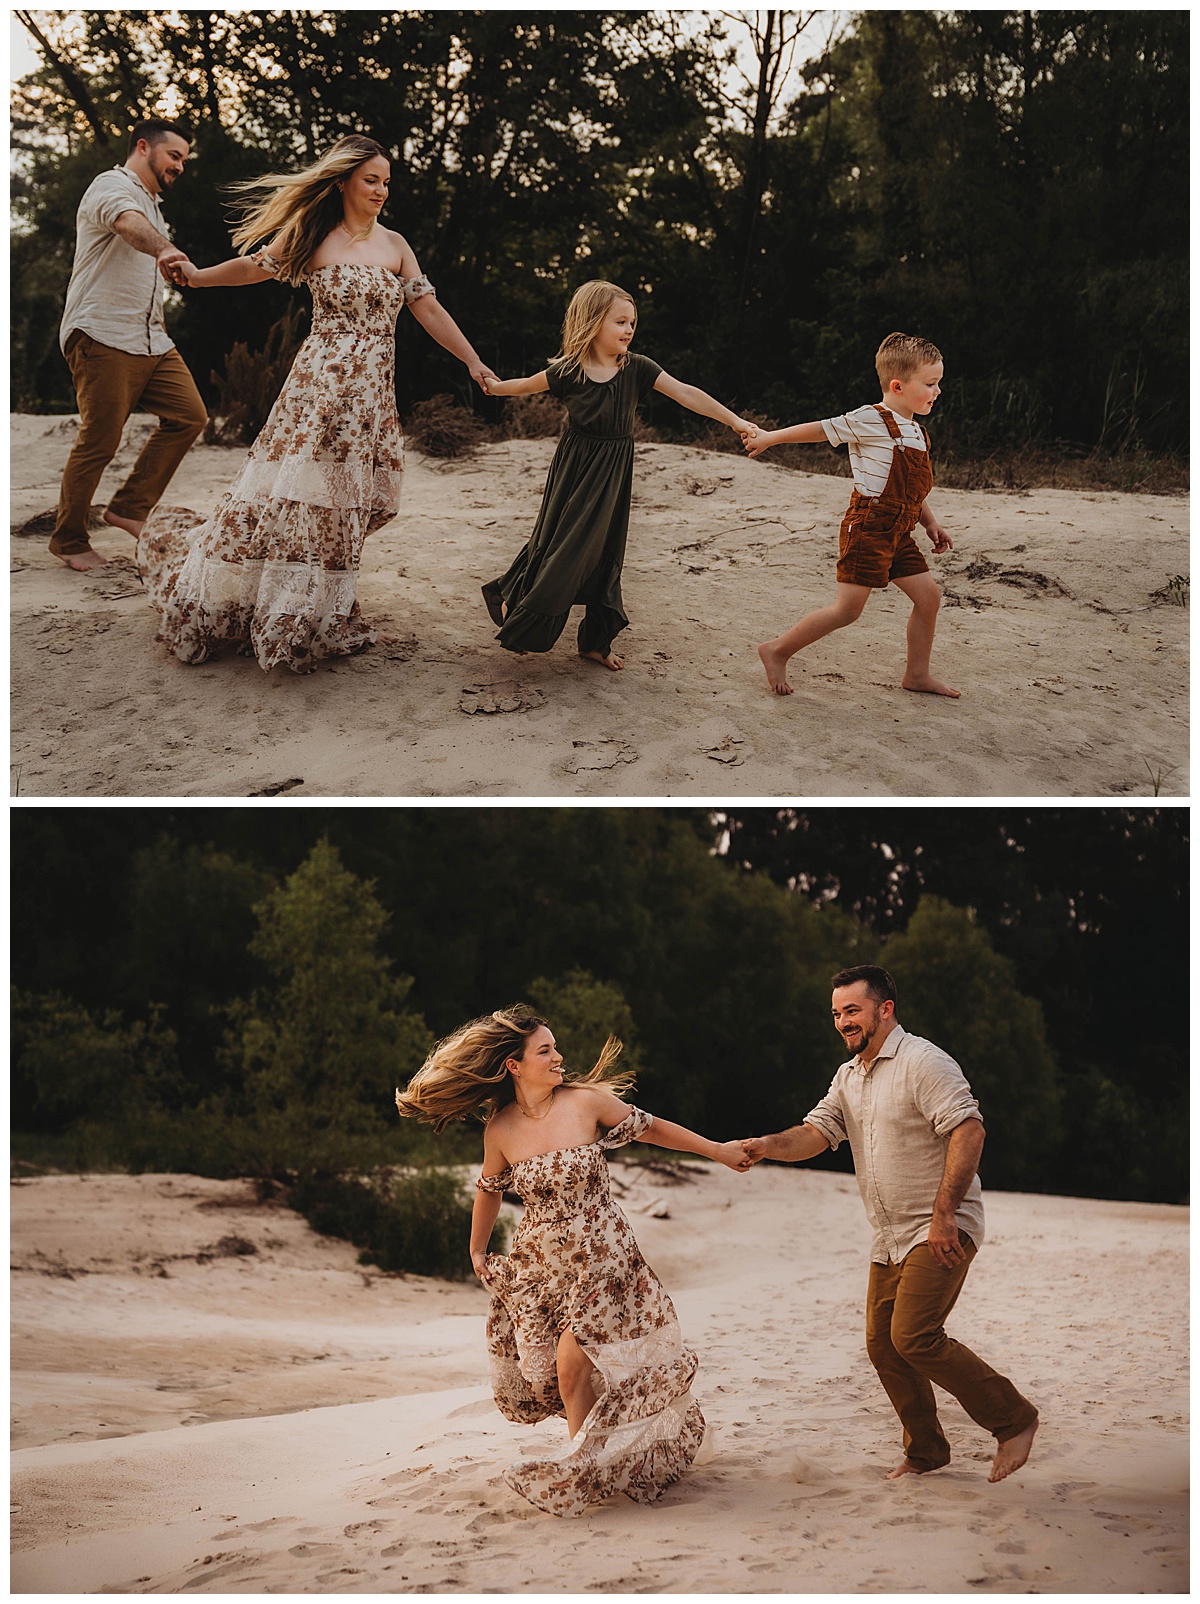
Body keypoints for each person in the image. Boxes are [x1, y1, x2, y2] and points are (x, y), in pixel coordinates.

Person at [137, 134, 497, 672]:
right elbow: (254, 267)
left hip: (371, 397)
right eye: (370, 180)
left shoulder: (396, 245)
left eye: (386, 182)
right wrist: (197, 278)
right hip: (318, 391)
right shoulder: (314, 236)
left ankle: (321, 609)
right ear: (343, 181)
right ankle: (285, 611)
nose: (380, 191)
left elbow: (428, 309)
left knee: (345, 506)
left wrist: (473, 361)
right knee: (300, 497)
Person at [395, 1007, 748, 1516]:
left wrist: (717, 1150)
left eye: (555, 1047)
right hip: (543, 1264)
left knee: (572, 1359)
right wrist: (476, 1248)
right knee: (566, 1378)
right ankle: (594, 1464)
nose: (559, 1057)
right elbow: (489, 1191)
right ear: (514, 1066)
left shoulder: (586, 1104)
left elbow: (655, 1129)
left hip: (605, 1256)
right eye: (545, 1050)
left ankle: (582, 1470)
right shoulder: (501, 1129)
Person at [741, 965, 1038, 1484]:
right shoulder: (849, 1077)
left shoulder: (923, 1062)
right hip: (890, 1234)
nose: (842, 1022)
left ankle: (1015, 1420)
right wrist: (766, 1147)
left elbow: (969, 1130)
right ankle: (926, 1451)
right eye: (836, 1013)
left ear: (885, 1009)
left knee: (915, 1336)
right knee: (883, 1343)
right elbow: (815, 1133)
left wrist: (944, 1215)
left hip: (940, 1226)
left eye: (852, 1010)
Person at [481, 281, 757, 670]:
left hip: (612, 474)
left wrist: (735, 421)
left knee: (604, 550)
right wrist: (495, 389)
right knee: (563, 542)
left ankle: (595, 642)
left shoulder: (638, 368)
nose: (629, 329)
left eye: (633, 322)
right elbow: (525, 386)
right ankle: (521, 610)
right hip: (575, 471)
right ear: (593, 323)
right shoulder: (568, 372)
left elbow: (686, 393)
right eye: (621, 321)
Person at [745, 332, 960, 698]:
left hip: (900, 533)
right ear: (898, 385)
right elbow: (820, 429)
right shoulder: (870, 419)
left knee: (929, 599)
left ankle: (917, 675)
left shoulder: (918, 433)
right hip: (868, 529)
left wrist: (930, 522)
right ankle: (777, 650)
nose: (938, 391)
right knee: (847, 610)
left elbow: (913, 490)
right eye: (931, 383)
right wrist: (770, 437)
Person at [51, 118, 207, 572]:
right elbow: (127, 222)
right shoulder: (111, 186)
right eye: (174, 156)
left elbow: (143, 222)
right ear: (144, 147)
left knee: (189, 416)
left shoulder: (156, 206)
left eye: (184, 159)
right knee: (100, 439)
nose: (180, 166)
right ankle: (69, 539)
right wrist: (163, 249)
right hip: (101, 332)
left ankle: (131, 507)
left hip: (150, 338)